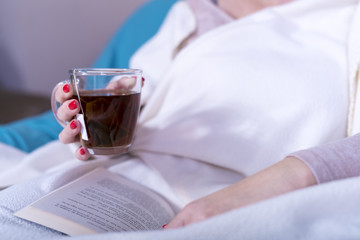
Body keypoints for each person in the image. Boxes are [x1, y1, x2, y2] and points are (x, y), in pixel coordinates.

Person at [0, 0, 359, 238]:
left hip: (242, 201)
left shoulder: (343, 16)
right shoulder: (179, 13)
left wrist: (285, 179)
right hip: (110, 187)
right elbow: (139, 122)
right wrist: (91, 131)